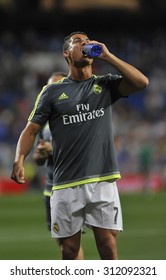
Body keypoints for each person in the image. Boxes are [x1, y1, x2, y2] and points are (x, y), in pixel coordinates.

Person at [11, 31, 149, 260]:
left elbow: (141, 82)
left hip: (102, 179)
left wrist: (109, 56)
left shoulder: (105, 85)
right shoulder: (52, 92)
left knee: (108, 245)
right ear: (66, 53)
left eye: (87, 41)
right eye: (78, 41)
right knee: (70, 250)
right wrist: (19, 159)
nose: (85, 44)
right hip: (66, 183)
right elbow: (31, 129)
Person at [32, 71, 84, 259]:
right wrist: (40, 153)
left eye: (55, 86)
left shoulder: (78, 118)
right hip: (51, 188)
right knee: (63, 245)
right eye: (48, 87)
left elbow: (82, 150)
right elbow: (38, 158)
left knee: (71, 245)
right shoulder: (44, 123)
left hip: (72, 186)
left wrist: (52, 149)